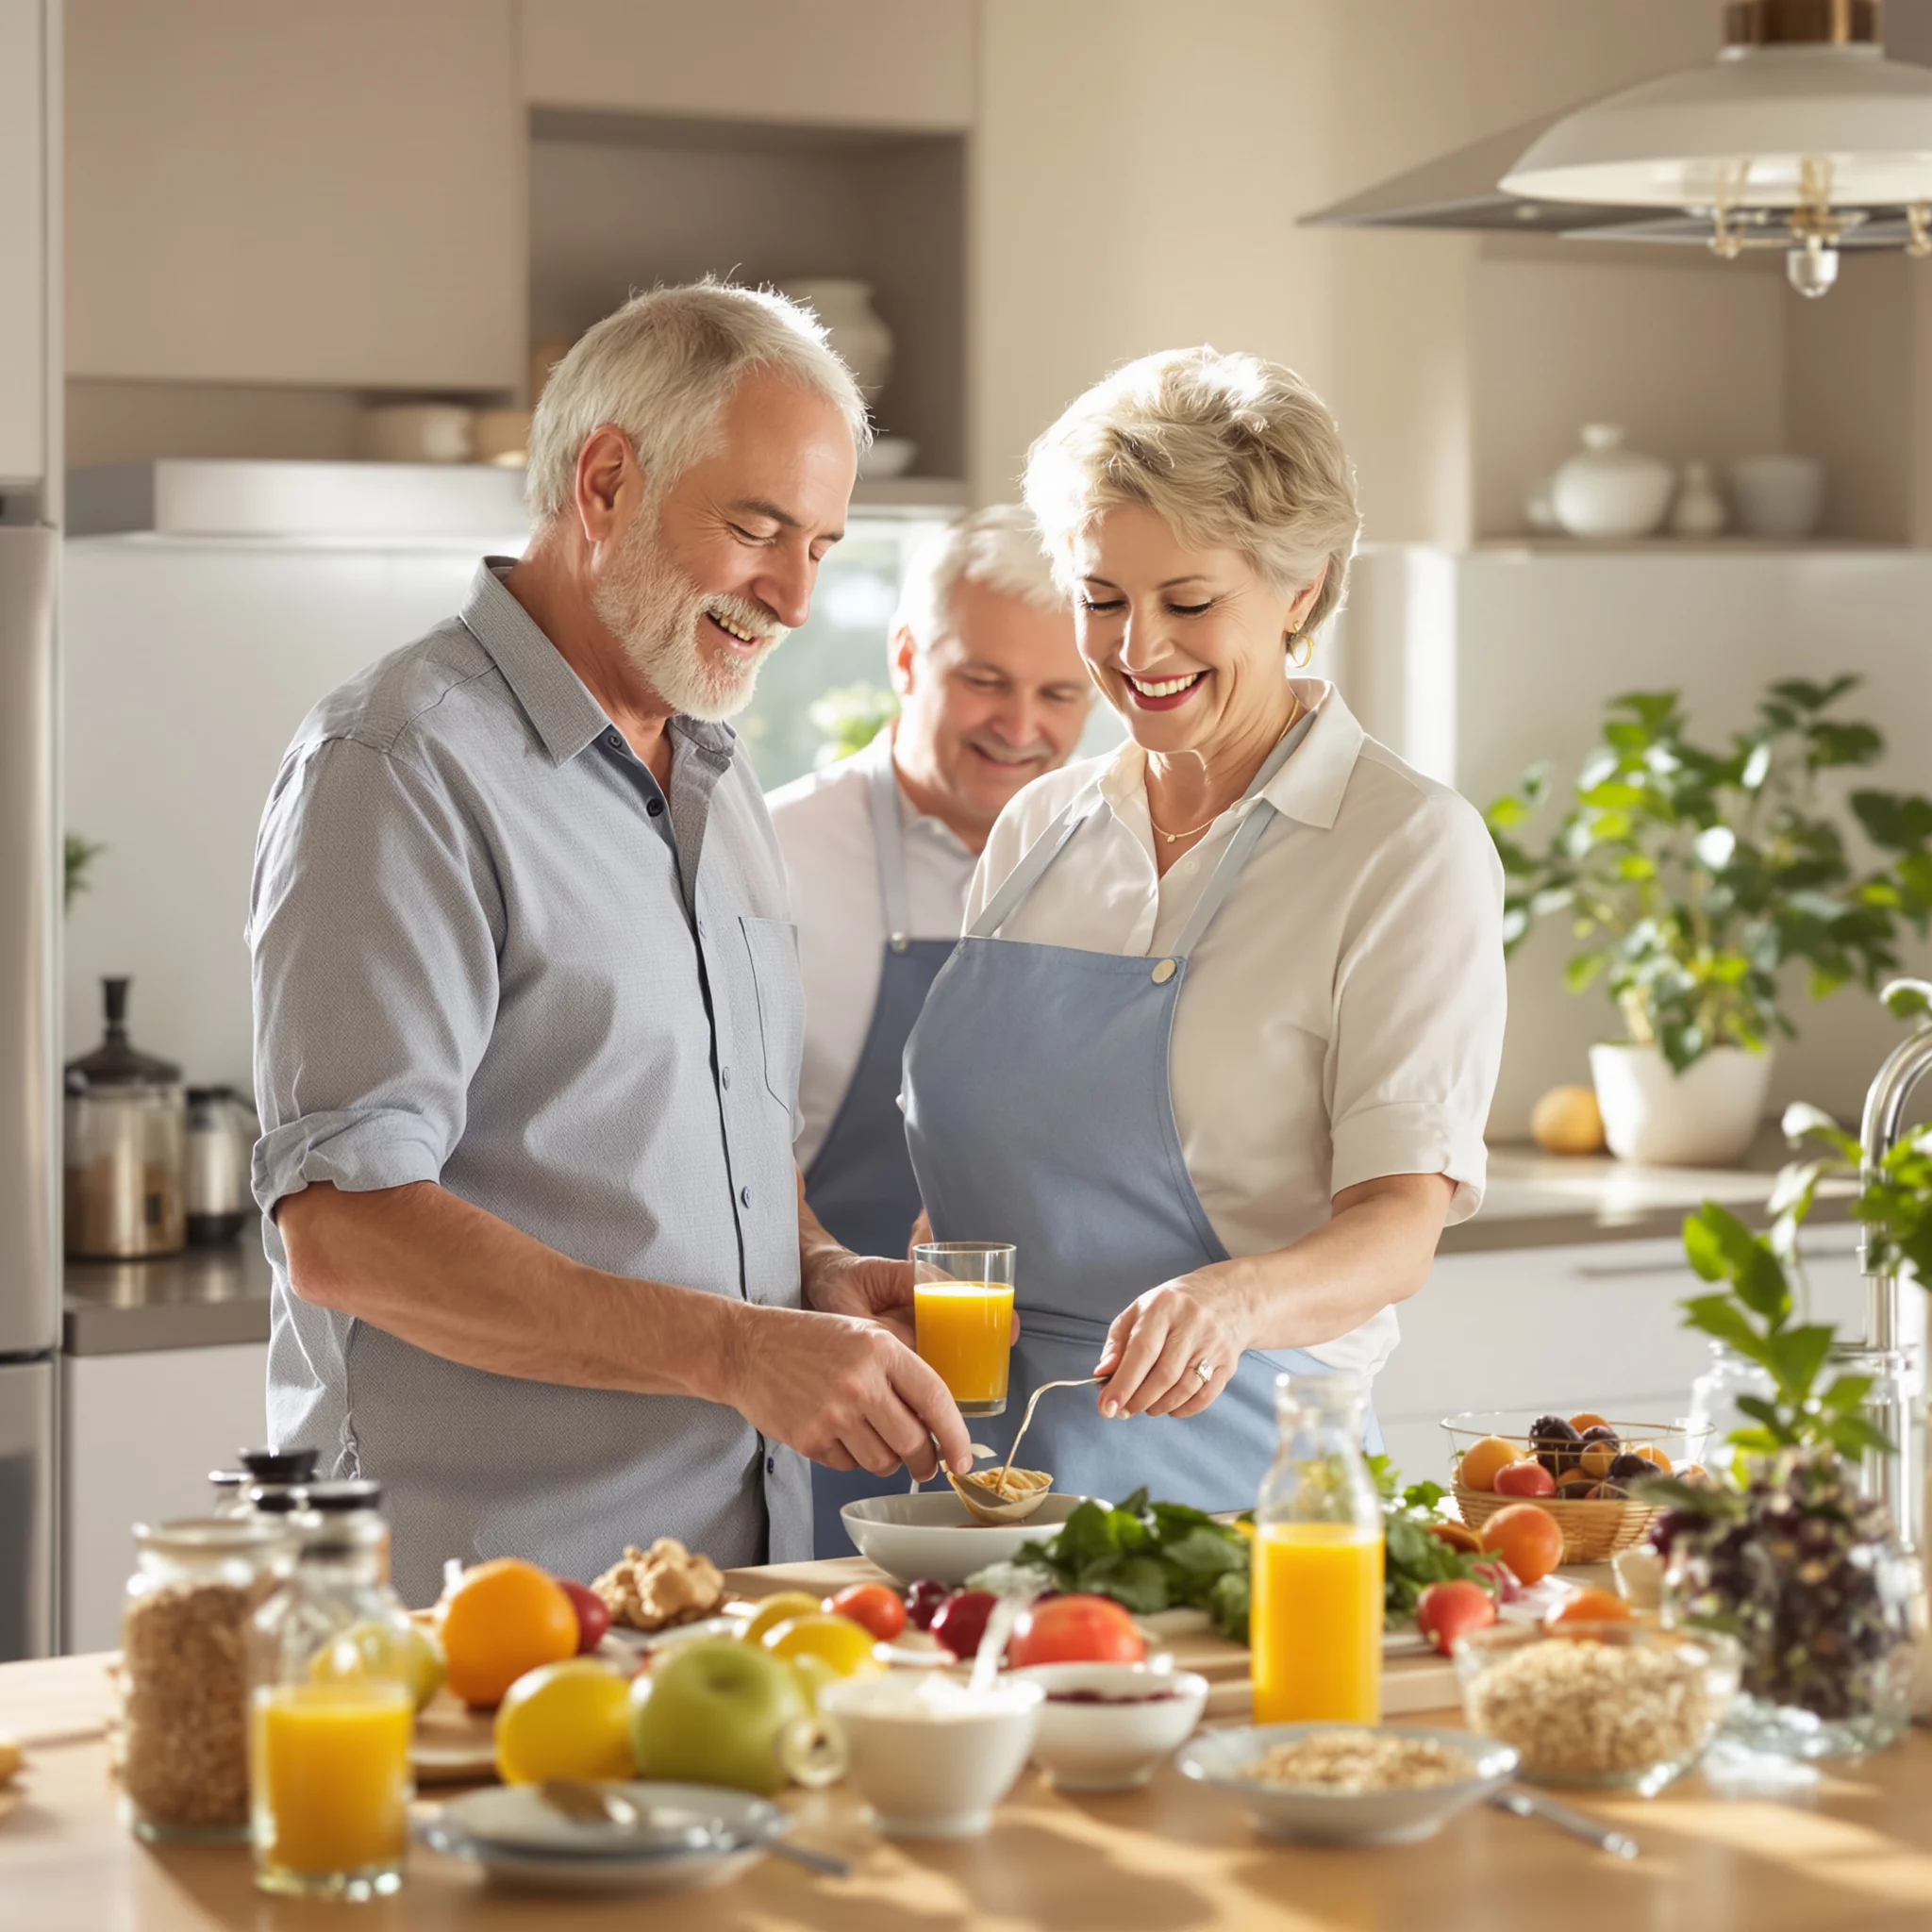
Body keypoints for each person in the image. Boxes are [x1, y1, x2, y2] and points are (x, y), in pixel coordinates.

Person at [249, 284, 973, 1606]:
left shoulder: (710, 762)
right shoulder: (401, 765)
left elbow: (711, 1135)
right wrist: (737, 1351)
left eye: (821, 543)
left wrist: (809, 1274)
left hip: (723, 1593)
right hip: (476, 1605)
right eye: (758, 529)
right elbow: (349, 1235)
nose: (796, 595)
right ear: (603, 482)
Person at [900, 346, 1507, 1510]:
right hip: (975, 1475)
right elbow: (984, 1171)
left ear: (1302, 589)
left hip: (1235, 1485)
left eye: (1187, 602)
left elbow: (1395, 1226)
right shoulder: (1039, 830)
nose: (1136, 651)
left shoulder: (1399, 846)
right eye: (1100, 600)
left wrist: (1228, 1300)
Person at [767, 507, 1088, 1554]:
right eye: (983, 679)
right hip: (825, 1397)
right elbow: (722, 1151)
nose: (1020, 724)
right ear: (906, 657)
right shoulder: (770, 856)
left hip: (1053, 1413)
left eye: (1060, 692)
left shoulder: (1115, 873)